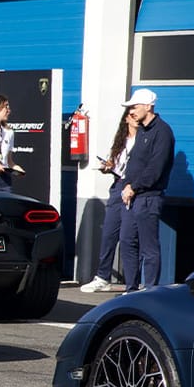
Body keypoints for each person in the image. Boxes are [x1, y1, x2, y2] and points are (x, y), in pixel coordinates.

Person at [118, 88, 175, 291]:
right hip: (131, 197)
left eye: (135, 106)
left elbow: (155, 168)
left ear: (148, 106)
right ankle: (131, 289)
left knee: (148, 247)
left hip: (148, 197)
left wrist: (134, 187)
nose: (131, 111)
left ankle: (150, 291)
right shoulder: (142, 130)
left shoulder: (163, 132)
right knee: (127, 241)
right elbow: (135, 163)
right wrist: (126, 185)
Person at [81, 110, 137, 292]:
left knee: (128, 238)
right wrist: (107, 167)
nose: (135, 119)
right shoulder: (121, 141)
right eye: (132, 115)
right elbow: (115, 163)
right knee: (108, 234)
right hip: (117, 186)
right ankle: (103, 277)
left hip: (133, 188)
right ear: (126, 119)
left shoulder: (144, 139)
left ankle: (133, 284)